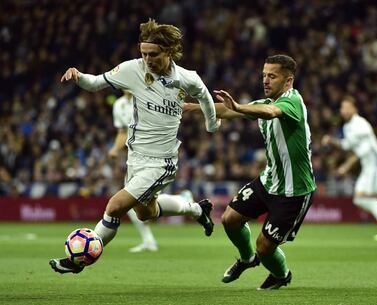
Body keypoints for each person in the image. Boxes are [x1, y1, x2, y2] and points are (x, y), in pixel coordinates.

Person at [50, 19, 220, 274]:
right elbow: (96, 83)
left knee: (115, 205)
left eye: (153, 54)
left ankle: (78, 262)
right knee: (145, 213)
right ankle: (197, 208)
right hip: (136, 157)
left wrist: (211, 124)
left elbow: (205, 97)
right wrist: (79, 76)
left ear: (169, 51)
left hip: (162, 162)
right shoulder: (133, 70)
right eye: (143, 53)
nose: (147, 59)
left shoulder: (188, 78)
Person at [185, 54, 316, 290]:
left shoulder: (292, 102)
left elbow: (271, 112)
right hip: (269, 181)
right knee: (230, 219)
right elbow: (223, 111)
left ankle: (281, 275)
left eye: (272, 76)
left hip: (294, 191)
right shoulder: (262, 104)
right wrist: (188, 107)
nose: (265, 80)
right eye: (264, 75)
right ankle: (247, 259)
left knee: (265, 246)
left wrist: (238, 106)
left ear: (288, 81)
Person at [322, 96, 377, 241]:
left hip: (376, 166)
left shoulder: (361, 125)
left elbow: (360, 152)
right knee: (359, 199)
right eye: (342, 107)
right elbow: (347, 146)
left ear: (355, 108)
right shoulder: (348, 126)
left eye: (347, 107)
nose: (343, 110)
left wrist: (345, 167)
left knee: (363, 198)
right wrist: (332, 141)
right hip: (368, 167)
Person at [109, 90, 158, 252]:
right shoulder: (119, 105)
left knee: (135, 199)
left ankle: (183, 201)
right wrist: (115, 149)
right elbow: (123, 132)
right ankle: (148, 240)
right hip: (134, 157)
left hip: (153, 153)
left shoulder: (146, 98)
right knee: (136, 202)